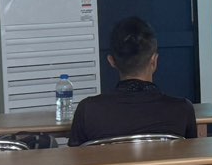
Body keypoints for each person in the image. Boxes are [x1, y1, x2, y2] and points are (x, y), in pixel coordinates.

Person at [68, 16, 197, 146]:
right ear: (154, 60)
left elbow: (74, 156)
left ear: (111, 61)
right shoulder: (182, 109)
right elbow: (193, 156)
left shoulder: (88, 110)